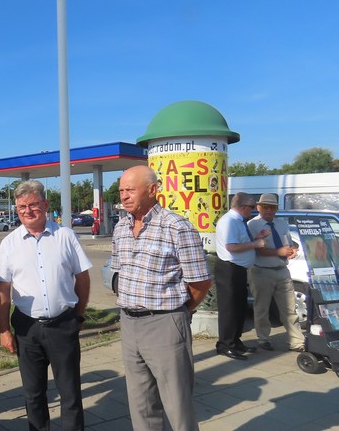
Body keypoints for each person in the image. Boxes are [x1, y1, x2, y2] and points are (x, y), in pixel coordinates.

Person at [110, 165, 211, 431]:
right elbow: (118, 271)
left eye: (130, 190)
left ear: (153, 190)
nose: (124, 196)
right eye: (121, 190)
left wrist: (181, 312)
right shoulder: (121, 227)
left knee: (177, 405)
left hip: (165, 324)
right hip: (129, 323)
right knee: (141, 404)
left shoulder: (176, 226)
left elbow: (200, 282)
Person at [0, 179, 91, 431]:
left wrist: (78, 315)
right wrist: (4, 330)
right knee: (33, 394)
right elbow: (2, 290)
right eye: (22, 206)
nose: (28, 211)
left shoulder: (65, 236)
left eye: (33, 204)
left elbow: (82, 278)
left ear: (45, 205)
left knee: (70, 393)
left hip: (63, 324)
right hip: (27, 329)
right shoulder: (9, 244)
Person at [247, 193, 305, 352]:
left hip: (282, 270)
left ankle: (297, 341)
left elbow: (289, 245)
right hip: (261, 271)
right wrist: (279, 252)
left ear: (276, 209)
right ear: (259, 207)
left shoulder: (282, 224)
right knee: (262, 308)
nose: (269, 210)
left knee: (290, 308)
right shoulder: (252, 225)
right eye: (265, 207)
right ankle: (263, 339)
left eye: (272, 207)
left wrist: (292, 251)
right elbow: (255, 249)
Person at [215, 192, 269, 360]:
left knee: (239, 307)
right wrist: (256, 244)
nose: (253, 211)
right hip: (229, 269)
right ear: (244, 207)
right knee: (229, 309)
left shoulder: (238, 221)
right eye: (252, 207)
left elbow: (239, 242)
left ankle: (235, 341)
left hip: (238, 269)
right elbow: (231, 247)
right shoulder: (230, 221)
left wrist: (256, 238)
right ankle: (225, 345)